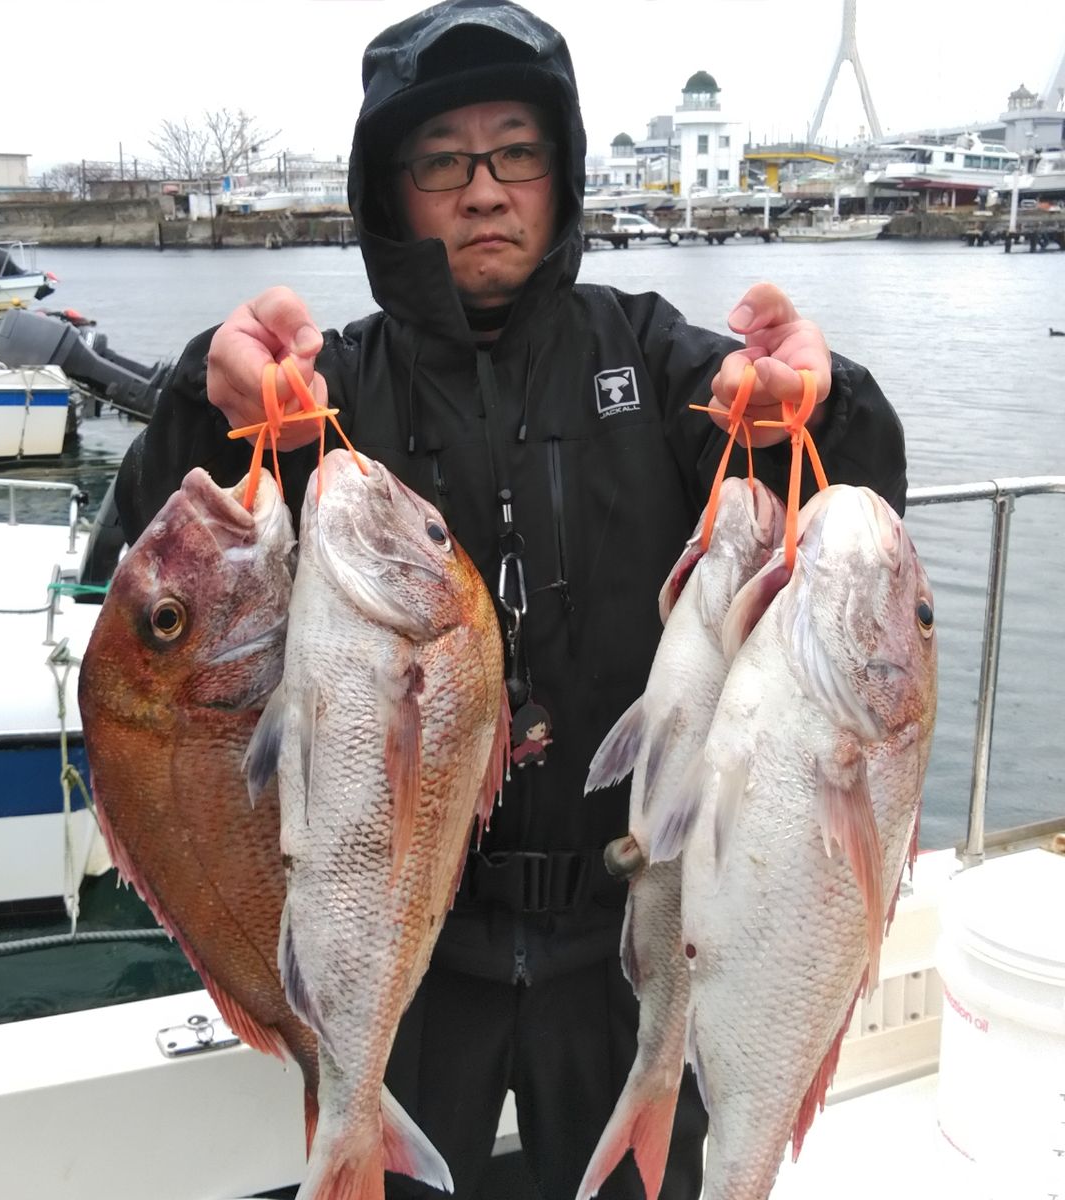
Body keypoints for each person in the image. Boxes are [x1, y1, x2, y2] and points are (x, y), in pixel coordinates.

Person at [115, 2, 907, 1196]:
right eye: (442, 161)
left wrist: (825, 400)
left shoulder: (656, 358)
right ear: (390, 193)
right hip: (405, 944)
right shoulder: (325, 393)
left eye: (517, 151)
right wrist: (198, 397)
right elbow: (150, 580)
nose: (485, 191)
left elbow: (856, 527)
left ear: (563, 172)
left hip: (632, 945)